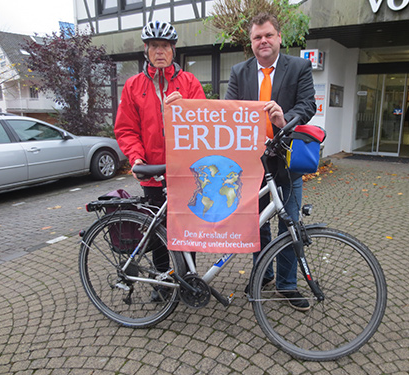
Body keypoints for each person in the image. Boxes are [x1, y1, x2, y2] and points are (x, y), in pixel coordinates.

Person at [225, 13, 316, 310]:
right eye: (257, 37)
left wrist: (286, 118)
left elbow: (308, 104)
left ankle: (287, 284)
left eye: (268, 35)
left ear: (278, 37)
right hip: (252, 165)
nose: (263, 41)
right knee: (258, 226)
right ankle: (263, 274)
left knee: (289, 223)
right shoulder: (239, 72)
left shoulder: (299, 67)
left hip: (287, 162)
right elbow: (226, 112)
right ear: (251, 43)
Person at [114, 21, 205, 287]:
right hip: (152, 172)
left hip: (185, 172)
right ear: (146, 50)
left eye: (165, 45)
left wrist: (184, 108)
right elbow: (127, 129)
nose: (160, 51)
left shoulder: (189, 82)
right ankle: (162, 281)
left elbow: (204, 122)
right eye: (154, 46)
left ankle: (188, 278)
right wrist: (137, 158)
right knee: (158, 232)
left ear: (173, 50)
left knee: (188, 229)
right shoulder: (134, 86)